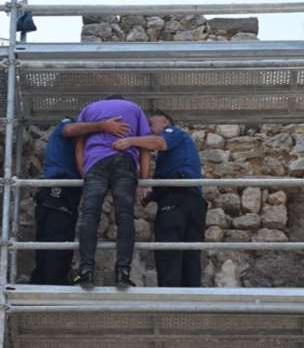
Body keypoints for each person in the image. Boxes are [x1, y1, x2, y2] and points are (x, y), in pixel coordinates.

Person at [30, 115, 130, 285]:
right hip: (58, 188)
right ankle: (49, 284)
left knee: (63, 240)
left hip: (69, 193)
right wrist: (102, 126)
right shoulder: (69, 123)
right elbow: (69, 130)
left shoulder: (81, 137)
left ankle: (55, 282)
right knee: (55, 237)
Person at [112, 111, 206, 287]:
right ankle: (191, 304)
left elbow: (158, 143)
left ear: (164, 122)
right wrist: (152, 196)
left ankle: (171, 305)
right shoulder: (173, 153)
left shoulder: (173, 133)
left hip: (177, 199)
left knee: (169, 255)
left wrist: (130, 141)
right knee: (189, 257)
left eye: (150, 123)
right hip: (191, 200)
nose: (147, 127)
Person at [74, 96, 151, 289]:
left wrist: (84, 172)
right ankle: (122, 273)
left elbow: (79, 145)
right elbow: (145, 147)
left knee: (90, 215)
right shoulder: (135, 107)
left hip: (95, 162)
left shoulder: (89, 107)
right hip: (124, 161)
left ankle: (86, 271)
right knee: (125, 215)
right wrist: (144, 179)